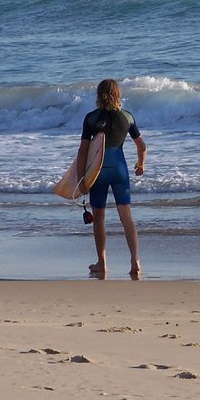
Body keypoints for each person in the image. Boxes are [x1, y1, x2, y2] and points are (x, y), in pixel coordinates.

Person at [77, 79, 147, 278]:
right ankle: (135, 259)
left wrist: (81, 179)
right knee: (126, 217)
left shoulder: (91, 118)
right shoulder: (127, 117)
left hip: (98, 171)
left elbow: (83, 152)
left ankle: (102, 263)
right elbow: (142, 145)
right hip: (120, 169)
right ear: (118, 94)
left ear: (99, 95)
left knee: (99, 217)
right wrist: (141, 164)